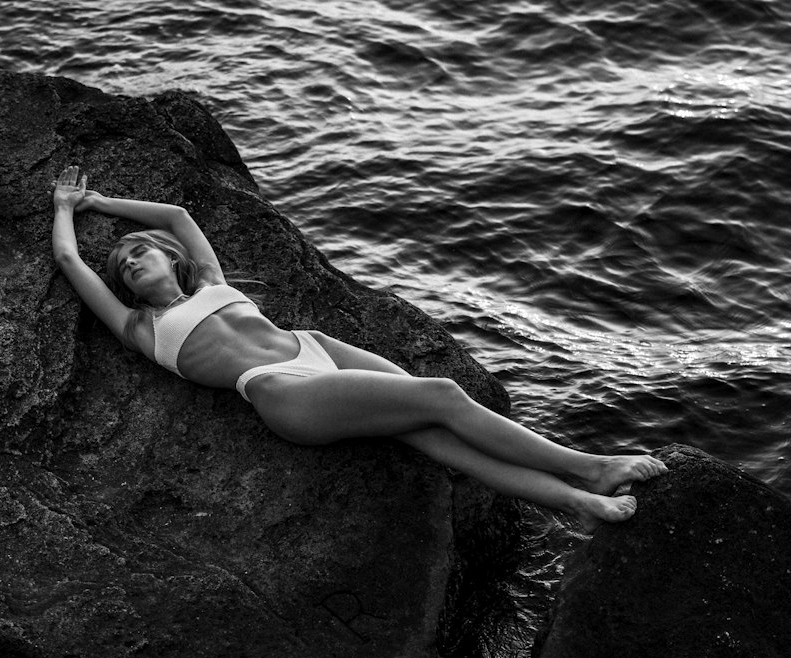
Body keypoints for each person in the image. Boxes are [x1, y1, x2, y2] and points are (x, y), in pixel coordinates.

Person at [51, 166, 666, 528]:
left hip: (317, 350)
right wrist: (63, 209)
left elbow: (181, 214)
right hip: (283, 394)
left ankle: (575, 502)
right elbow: (67, 258)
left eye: (139, 250)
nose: (130, 262)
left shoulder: (211, 280)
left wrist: (100, 202)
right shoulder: (139, 329)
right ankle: (589, 466)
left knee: (430, 434)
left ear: (169, 258)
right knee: (443, 395)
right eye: (122, 265)